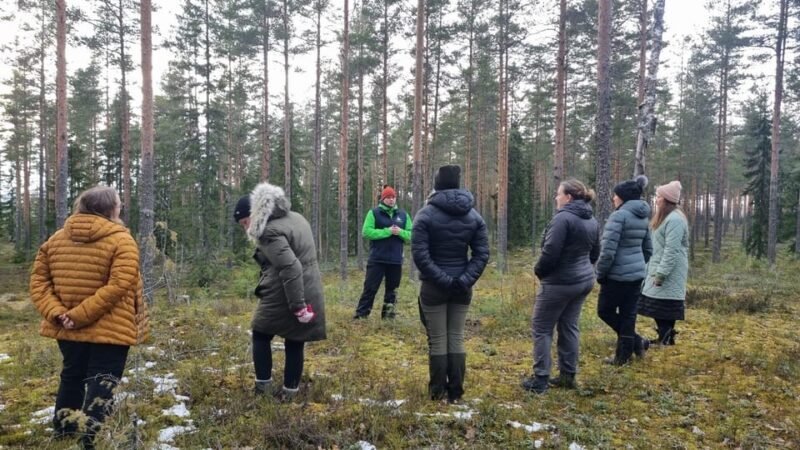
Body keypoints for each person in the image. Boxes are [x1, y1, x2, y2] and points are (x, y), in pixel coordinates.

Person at [29, 186, 149, 449]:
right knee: (103, 379)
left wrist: (60, 314)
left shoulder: (55, 240)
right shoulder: (122, 240)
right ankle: (91, 439)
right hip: (111, 326)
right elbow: (121, 284)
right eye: (118, 204)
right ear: (109, 209)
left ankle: (63, 431)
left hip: (68, 326)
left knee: (72, 375)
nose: (121, 208)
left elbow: (39, 282)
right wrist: (74, 315)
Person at [234, 182, 326, 400]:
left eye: (245, 222)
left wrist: (298, 306)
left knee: (260, 333)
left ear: (255, 213)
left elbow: (290, 266)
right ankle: (290, 392)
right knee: (296, 338)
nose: (246, 228)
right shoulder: (295, 217)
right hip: (310, 284)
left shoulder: (268, 230)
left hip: (287, 290)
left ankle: (262, 389)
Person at [412, 165, 489, 403]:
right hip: (461, 288)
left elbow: (420, 255)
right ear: (457, 185)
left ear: (436, 185)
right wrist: (464, 280)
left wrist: (444, 280)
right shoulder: (474, 216)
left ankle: (437, 392)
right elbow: (482, 254)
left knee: (437, 339)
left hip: (434, 287)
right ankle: (455, 392)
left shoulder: (425, 214)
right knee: (455, 336)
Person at [523, 179, 599, 394]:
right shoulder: (591, 219)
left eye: (558, 194)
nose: (556, 197)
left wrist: (539, 271)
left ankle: (540, 379)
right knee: (569, 326)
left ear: (569, 197)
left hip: (559, 282)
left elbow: (550, 252)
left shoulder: (562, 219)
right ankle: (568, 375)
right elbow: (595, 253)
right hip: (583, 280)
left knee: (542, 329)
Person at [596, 175, 653, 365]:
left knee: (604, 311)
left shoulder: (618, 216)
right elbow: (648, 249)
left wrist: (601, 273)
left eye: (615, 196)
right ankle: (628, 352)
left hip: (616, 276)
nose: (613, 198)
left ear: (623, 198)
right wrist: (637, 266)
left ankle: (632, 347)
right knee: (628, 315)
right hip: (636, 275)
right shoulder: (643, 216)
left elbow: (607, 252)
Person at [637, 180, 689, 346]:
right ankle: (664, 337)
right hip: (658, 266)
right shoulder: (665, 217)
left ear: (666, 199)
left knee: (666, 304)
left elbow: (671, 250)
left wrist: (661, 273)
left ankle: (666, 338)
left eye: (659, 196)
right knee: (658, 304)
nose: (656, 199)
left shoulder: (675, 219)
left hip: (669, 270)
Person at [353, 185, 412, 319]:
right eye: (388, 197)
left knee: (392, 290)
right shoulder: (374, 213)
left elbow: (411, 235)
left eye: (393, 197)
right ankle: (361, 316)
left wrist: (400, 232)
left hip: (396, 260)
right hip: (377, 259)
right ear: (383, 199)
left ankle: (388, 317)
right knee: (370, 288)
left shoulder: (403, 215)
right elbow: (366, 232)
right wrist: (387, 231)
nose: (391, 200)